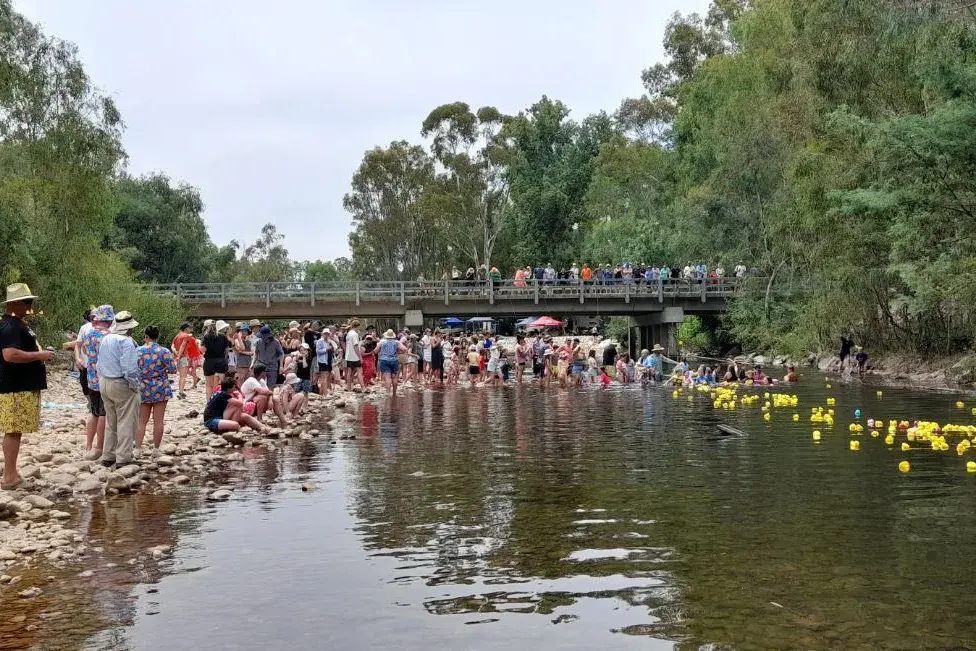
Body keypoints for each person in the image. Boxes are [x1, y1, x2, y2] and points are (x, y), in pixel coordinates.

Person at [0, 283, 55, 490]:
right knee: (13, 430)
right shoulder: (10, 326)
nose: (30, 306)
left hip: (21, 385)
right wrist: (40, 355)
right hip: (15, 386)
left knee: (16, 430)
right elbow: (10, 355)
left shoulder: (16, 323)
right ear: (14, 303)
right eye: (27, 302)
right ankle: (9, 477)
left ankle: (11, 473)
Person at [97, 311, 141, 467]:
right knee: (126, 421)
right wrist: (135, 386)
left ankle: (108, 454)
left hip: (104, 381)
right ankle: (123, 457)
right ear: (128, 329)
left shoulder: (105, 338)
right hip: (120, 383)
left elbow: (99, 363)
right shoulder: (126, 341)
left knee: (111, 420)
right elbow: (129, 369)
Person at [136, 325, 177, 457]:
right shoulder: (163, 351)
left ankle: (137, 449)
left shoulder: (138, 351)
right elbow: (173, 369)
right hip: (160, 387)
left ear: (145, 336)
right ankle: (156, 449)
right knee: (159, 420)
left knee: (142, 420)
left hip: (143, 387)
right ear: (157, 336)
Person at [81, 304, 114, 459]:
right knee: (103, 413)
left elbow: (86, 352)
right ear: (110, 319)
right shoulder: (109, 336)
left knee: (93, 412)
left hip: (91, 377)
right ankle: (99, 447)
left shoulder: (88, 333)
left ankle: (88, 445)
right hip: (105, 378)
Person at [202, 320, 232, 398]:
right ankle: (222, 400)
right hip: (221, 361)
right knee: (223, 384)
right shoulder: (223, 337)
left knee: (209, 386)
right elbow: (229, 347)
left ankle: (209, 402)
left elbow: (203, 349)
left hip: (209, 361)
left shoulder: (206, 336)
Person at [172, 323, 196, 399]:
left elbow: (172, 346)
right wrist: (179, 356)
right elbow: (183, 345)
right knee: (183, 376)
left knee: (181, 376)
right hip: (183, 357)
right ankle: (181, 392)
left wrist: (175, 352)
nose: (190, 330)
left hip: (177, 357)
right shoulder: (186, 336)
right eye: (189, 328)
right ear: (186, 329)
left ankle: (181, 391)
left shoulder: (177, 336)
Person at [344, 319, 364, 390]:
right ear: (358, 326)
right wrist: (360, 357)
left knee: (349, 371)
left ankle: (348, 387)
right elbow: (355, 346)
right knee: (359, 371)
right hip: (355, 356)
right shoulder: (355, 334)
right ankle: (363, 387)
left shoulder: (348, 334)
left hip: (348, 356)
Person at [314, 329, 335, 395]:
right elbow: (317, 351)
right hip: (322, 361)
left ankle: (322, 393)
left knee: (327, 377)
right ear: (322, 334)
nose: (326, 335)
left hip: (328, 360)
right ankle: (325, 394)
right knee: (324, 377)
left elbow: (332, 351)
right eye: (325, 333)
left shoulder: (329, 341)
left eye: (327, 334)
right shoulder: (320, 341)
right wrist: (326, 349)